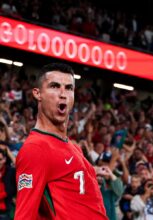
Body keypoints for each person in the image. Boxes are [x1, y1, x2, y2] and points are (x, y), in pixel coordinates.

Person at [15, 63, 107, 219]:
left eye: (69, 88)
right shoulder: (35, 149)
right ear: (38, 94)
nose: (63, 94)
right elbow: (24, 216)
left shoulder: (73, 146)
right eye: (55, 86)